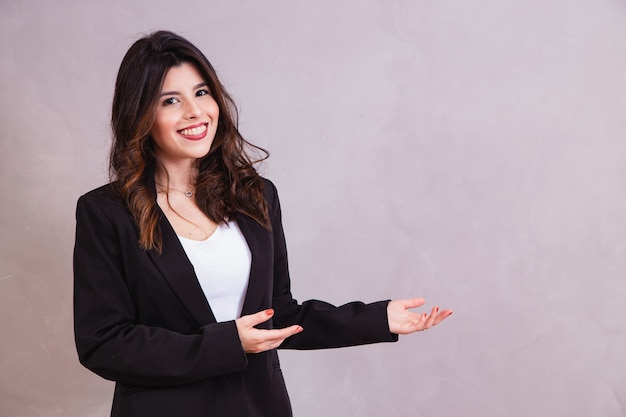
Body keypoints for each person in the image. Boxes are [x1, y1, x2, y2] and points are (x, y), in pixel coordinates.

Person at [73, 30, 453, 417]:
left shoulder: (254, 196)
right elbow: (103, 344)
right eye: (171, 100)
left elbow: (279, 313)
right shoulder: (105, 213)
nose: (195, 112)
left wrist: (375, 319)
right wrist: (227, 344)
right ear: (139, 115)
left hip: (258, 405)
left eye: (202, 93)